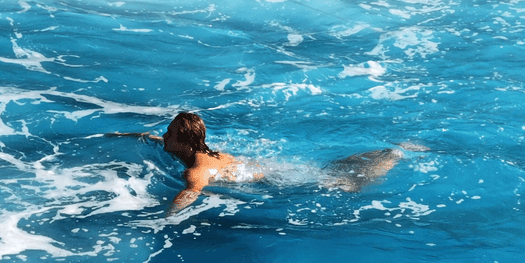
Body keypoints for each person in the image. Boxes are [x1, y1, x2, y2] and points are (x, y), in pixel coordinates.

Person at [114, 112, 416, 214]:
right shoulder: (203, 151)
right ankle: (394, 151)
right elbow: (159, 139)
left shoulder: (197, 169)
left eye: (169, 133)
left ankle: (397, 154)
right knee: (335, 170)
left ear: (184, 142)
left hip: (281, 181)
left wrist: (165, 219)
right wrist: (138, 135)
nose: (164, 136)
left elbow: (191, 192)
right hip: (272, 169)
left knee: (348, 183)